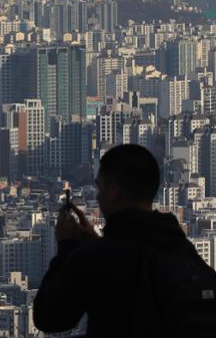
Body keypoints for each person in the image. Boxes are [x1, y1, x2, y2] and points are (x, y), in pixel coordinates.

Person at [33, 144, 216, 338]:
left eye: (100, 186)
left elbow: (49, 318)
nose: (98, 195)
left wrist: (67, 246)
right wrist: (98, 243)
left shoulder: (99, 258)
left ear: (114, 191)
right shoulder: (182, 249)